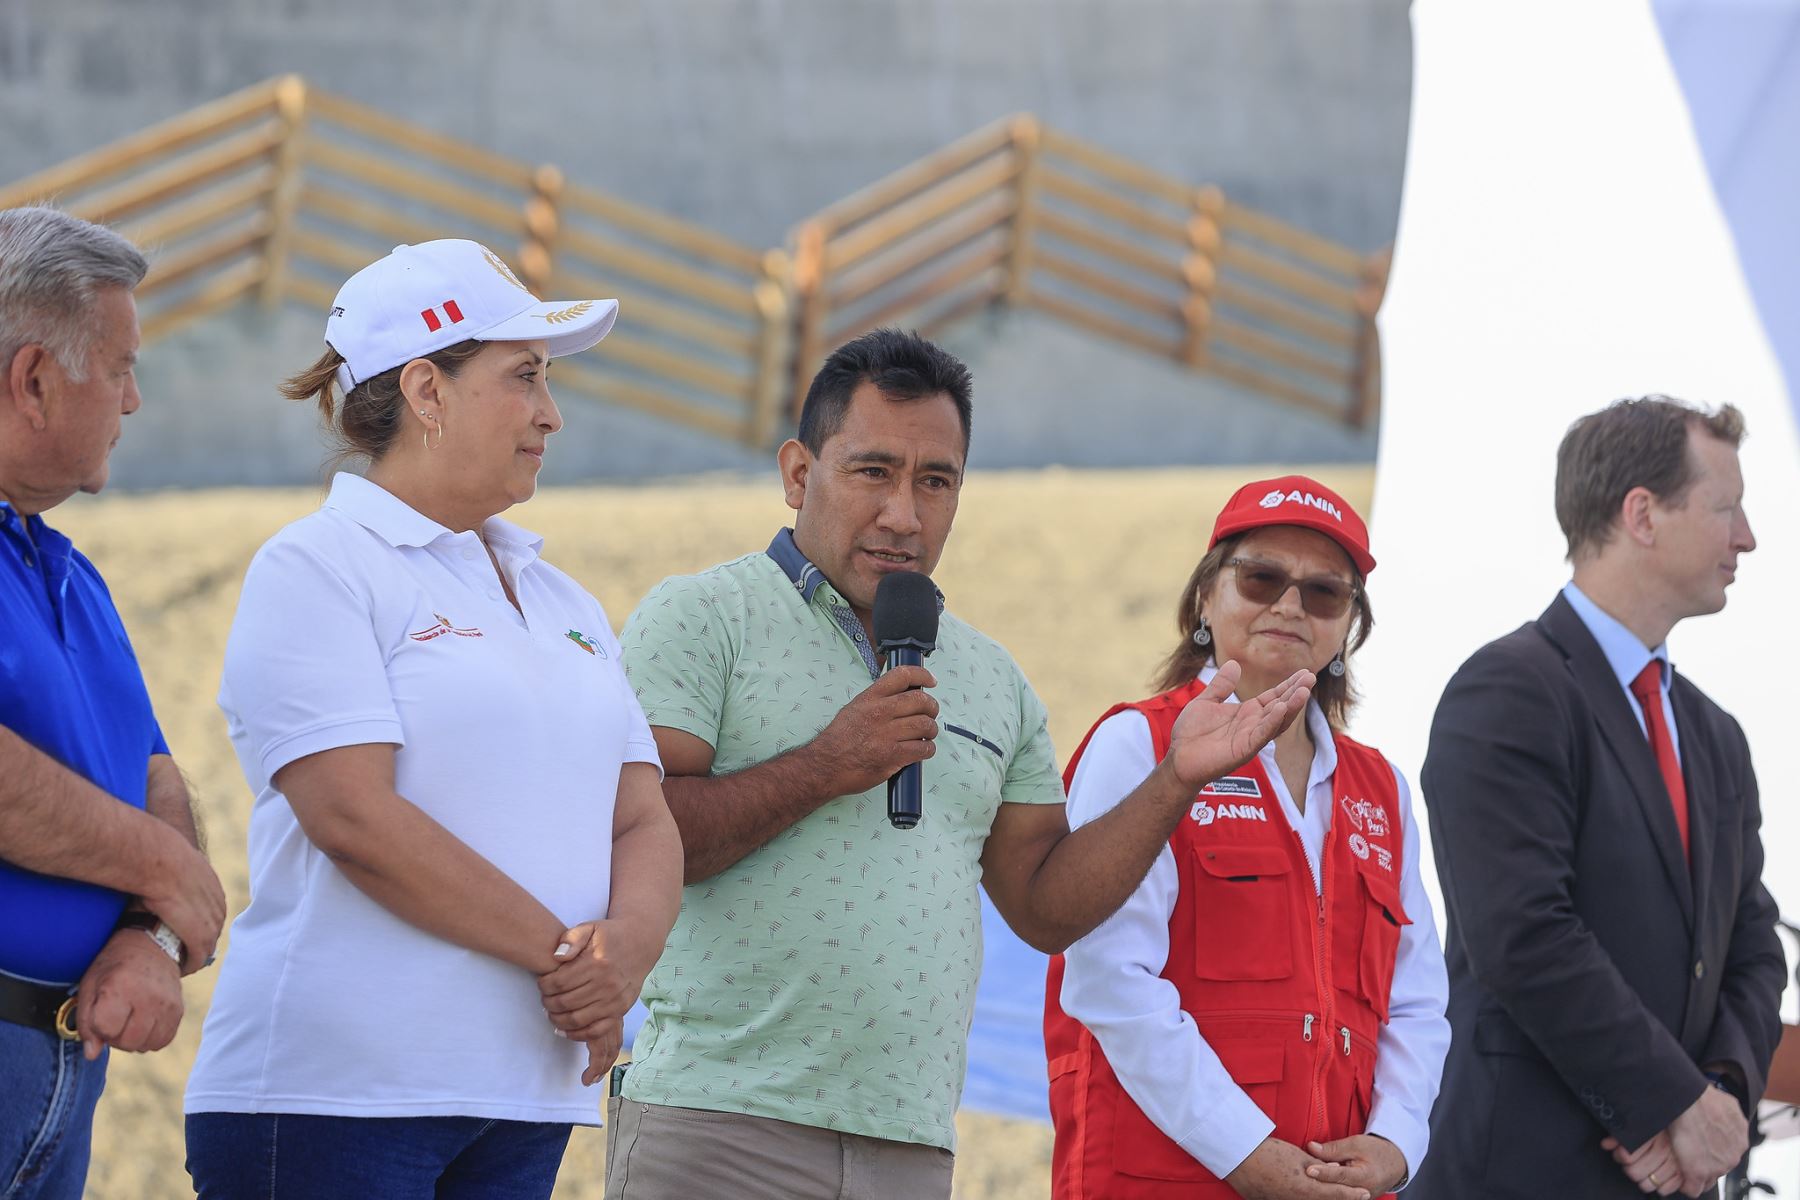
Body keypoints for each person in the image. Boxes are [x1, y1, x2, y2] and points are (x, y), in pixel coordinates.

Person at [607, 328, 1314, 1200]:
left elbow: (1046, 908)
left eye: (934, 481)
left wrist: (1173, 780)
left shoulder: (992, 678)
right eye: (873, 471)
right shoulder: (702, 617)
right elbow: (641, 835)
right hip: (721, 1126)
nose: (904, 513)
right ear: (799, 473)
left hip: (910, 1147)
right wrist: (830, 764)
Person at [182, 240, 683, 1199]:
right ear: (426, 389)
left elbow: (640, 816)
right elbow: (356, 821)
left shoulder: (565, 598)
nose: (552, 413)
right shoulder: (317, 565)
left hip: (524, 1097)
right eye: (525, 377)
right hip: (335, 1096)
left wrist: (627, 955)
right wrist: (567, 960)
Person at [1411, 397, 1785, 1199]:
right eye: (1726, 508)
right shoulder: (1506, 691)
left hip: (1673, 1177)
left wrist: (1715, 1094)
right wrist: (1672, 1103)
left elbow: (1752, 942)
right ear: (1642, 516)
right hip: (1519, 1173)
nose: (1746, 536)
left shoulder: (1713, 734)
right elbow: (1524, 935)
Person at [1045, 476, 1450, 1200]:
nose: (1291, 606)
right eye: (1263, 578)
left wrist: (1397, 1142)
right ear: (1206, 597)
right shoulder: (1138, 745)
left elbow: (1417, 1002)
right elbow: (1110, 981)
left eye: (1324, 593)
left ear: (1348, 628)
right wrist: (1247, 1154)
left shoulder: (1383, 790)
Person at [0, 205, 227, 1200]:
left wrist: (149, 932)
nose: (133, 401)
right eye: (122, 366)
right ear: (34, 381)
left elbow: (155, 771)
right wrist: (166, 872)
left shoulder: (69, 570)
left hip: (64, 1062)